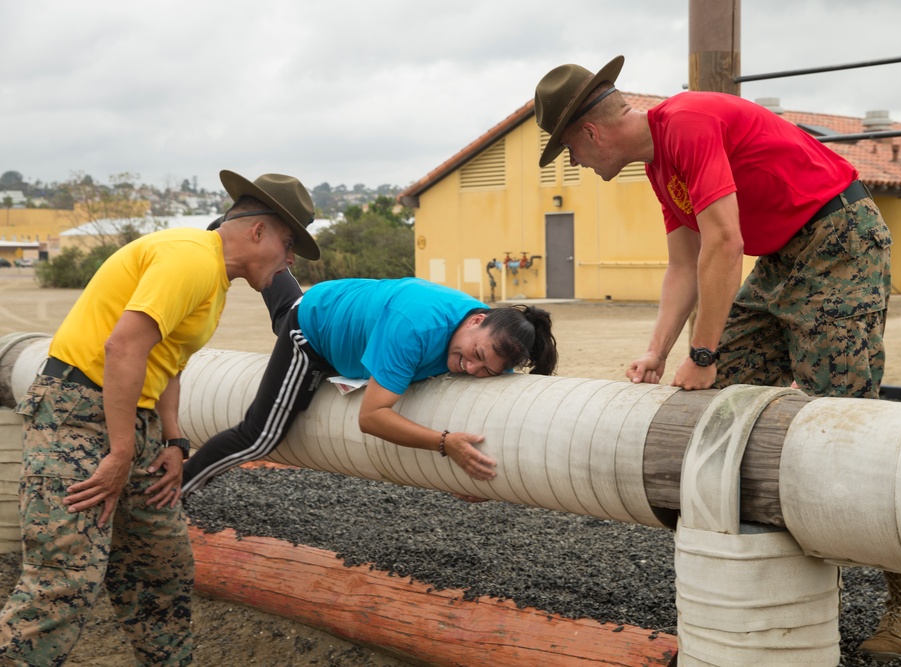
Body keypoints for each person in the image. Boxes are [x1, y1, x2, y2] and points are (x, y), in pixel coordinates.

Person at [534, 56, 901, 661]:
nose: (575, 163)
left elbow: (725, 243)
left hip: (838, 242)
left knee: (848, 424)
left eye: (569, 148)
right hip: (782, 258)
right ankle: (772, 549)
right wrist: (657, 351)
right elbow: (684, 263)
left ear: (592, 132)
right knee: (728, 399)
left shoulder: (689, 123)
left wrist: (702, 350)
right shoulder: (659, 162)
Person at [0, 170, 320, 666]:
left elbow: (165, 360)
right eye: (288, 243)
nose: (290, 260)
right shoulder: (190, 258)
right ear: (258, 232)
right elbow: (122, 347)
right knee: (63, 583)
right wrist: (120, 453)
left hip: (134, 419)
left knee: (161, 569)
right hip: (76, 414)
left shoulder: (213, 281)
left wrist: (174, 440)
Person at [180, 273, 558, 496]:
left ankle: (274, 268)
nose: (470, 366)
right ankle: (174, 489)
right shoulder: (415, 327)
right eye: (473, 353)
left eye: (485, 370)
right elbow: (372, 417)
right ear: (476, 320)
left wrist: (470, 481)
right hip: (316, 331)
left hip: (352, 318)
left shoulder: (492, 340)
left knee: (283, 315)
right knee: (260, 435)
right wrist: (445, 444)